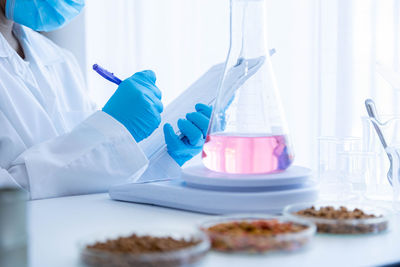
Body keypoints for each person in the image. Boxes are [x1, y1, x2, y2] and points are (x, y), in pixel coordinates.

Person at [0, 0, 211, 199]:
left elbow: (91, 178)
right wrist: (110, 130)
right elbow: (9, 195)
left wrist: (165, 158)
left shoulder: (59, 60)